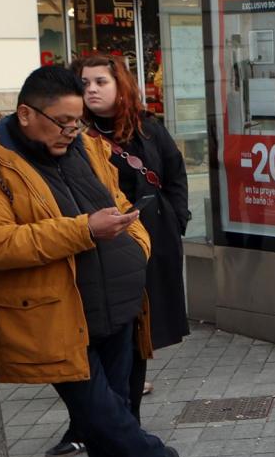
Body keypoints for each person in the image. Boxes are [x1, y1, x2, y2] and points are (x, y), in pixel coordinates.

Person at [0, 65, 190, 457]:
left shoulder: (85, 144)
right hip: (55, 313)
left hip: (122, 301)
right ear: (26, 115)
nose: (72, 130)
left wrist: (138, 243)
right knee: (96, 412)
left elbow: (114, 197)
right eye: (63, 122)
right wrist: (84, 229)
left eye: (77, 121)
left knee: (116, 410)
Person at [74, 55, 189, 417]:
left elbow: (174, 172)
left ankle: (127, 413)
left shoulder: (148, 128)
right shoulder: (76, 134)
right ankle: (108, 416)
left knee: (140, 328)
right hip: (103, 245)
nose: (91, 89)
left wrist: (177, 219)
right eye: (85, 83)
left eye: (100, 82)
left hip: (153, 238)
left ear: (119, 86)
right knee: (112, 326)